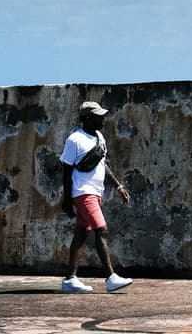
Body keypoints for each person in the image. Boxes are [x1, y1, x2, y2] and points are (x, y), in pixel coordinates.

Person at [58, 100, 133, 293]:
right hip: (83, 193)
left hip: (95, 192)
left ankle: (70, 280)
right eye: (99, 116)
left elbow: (102, 164)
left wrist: (118, 185)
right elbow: (66, 171)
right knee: (102, 230)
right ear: (88, 118)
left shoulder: (99, 137)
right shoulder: (74, 140)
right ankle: (110, 277)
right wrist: (67, 199)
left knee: (81, 235)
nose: (104, 120)